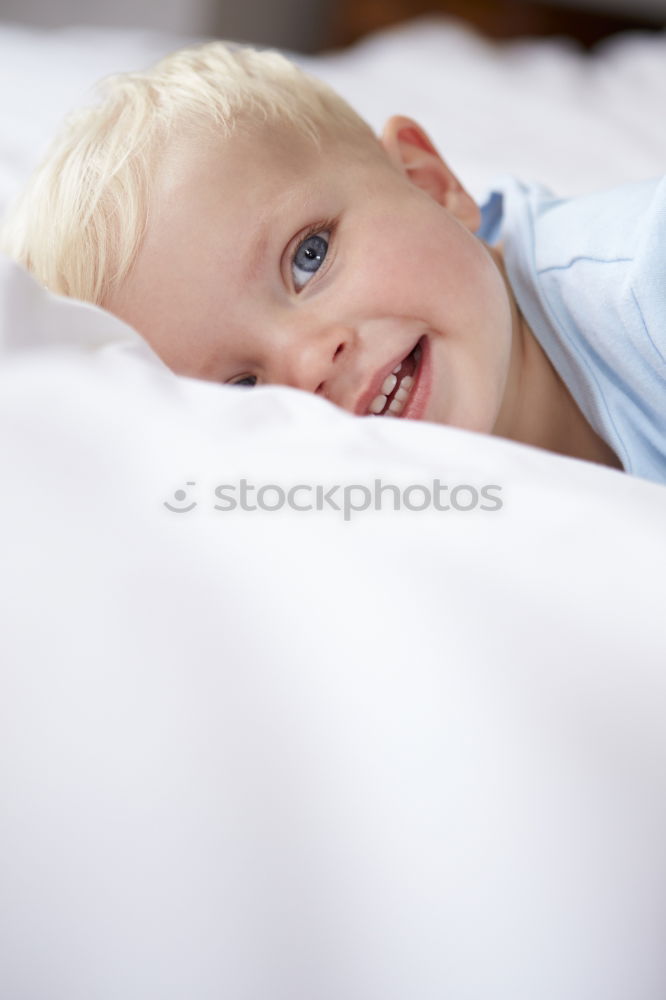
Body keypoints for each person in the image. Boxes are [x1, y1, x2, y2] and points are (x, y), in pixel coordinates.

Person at [1, 41, 664, 483]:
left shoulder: (641, 280)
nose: (311, 364)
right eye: (242, 388)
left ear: (429, 180)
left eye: (309, 258)